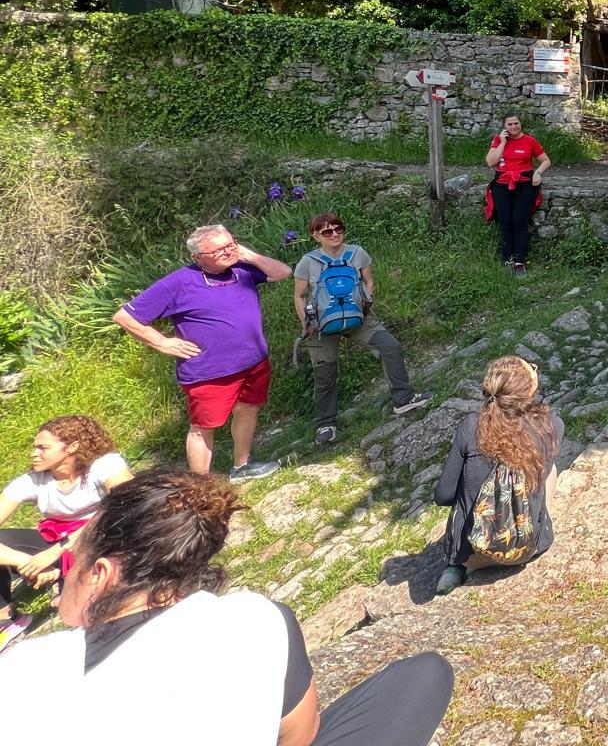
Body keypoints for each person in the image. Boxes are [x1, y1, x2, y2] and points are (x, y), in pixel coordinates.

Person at [0, 469, 455, 744]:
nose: (65, 575)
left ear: (100, 574)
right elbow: (301, 736)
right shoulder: (256, 618)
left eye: (71, 562)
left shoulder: (27, 668)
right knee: (425, 673)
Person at [112, 225, 291, 481]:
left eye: (231, 244)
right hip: (209, 372)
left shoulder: (242, 269)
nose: (228, 252)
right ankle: (201, 485)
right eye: (218, 250)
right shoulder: (179, 282)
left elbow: (283, 272)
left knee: (248, 409)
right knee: (203, 427)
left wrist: (248, 254)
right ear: (197, 257)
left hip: (254, 362)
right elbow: (125, 317)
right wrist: (162, 342)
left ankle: (242, 466)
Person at [293, 212, 430, 447]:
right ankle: (326, 424)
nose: (334, 234)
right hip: (322, 326)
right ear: (316, 236)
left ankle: (404, 399)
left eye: (338, 229)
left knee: (390, 347)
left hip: (358, 317)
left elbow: (368, 280)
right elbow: (299, 295)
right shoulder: (307, 262)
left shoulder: (358, 253)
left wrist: (367, 303)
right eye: (327, 231)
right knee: (324, 373)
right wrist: (307, 323)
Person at [0, 416, 134, 654]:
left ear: (72, 447)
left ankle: (79, 588)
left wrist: (56, 550)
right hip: (57, 543)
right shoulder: (34, 481)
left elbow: (130, 501)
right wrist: (27, 562)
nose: (34, 453)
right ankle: (6, 619)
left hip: (104, 538)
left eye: (43, 448)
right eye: (35, 447)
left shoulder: (103, 465)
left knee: (118, 533)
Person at [433, 356, 564, 595]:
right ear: (530, 388)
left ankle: (454, 567)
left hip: (473, 553)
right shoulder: (551, 426)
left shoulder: (471, 426)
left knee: (468, 483)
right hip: (530, 547)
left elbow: (443, 496)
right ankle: (537, 524)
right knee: (551, 470)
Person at [485, 114, 551, 277]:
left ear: (521, 124)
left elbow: (546, 160)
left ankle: (519, 261)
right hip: (502, 184)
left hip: (525, 184)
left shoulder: (530, 141)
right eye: (510, 124)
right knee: (505, 221)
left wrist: (537, 173)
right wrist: (503, 142)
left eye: (516, 123)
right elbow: (491, 162)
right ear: (504, 126)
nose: (513, 126)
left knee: (520, 221)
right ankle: (507, 257)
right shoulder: (498, 140)